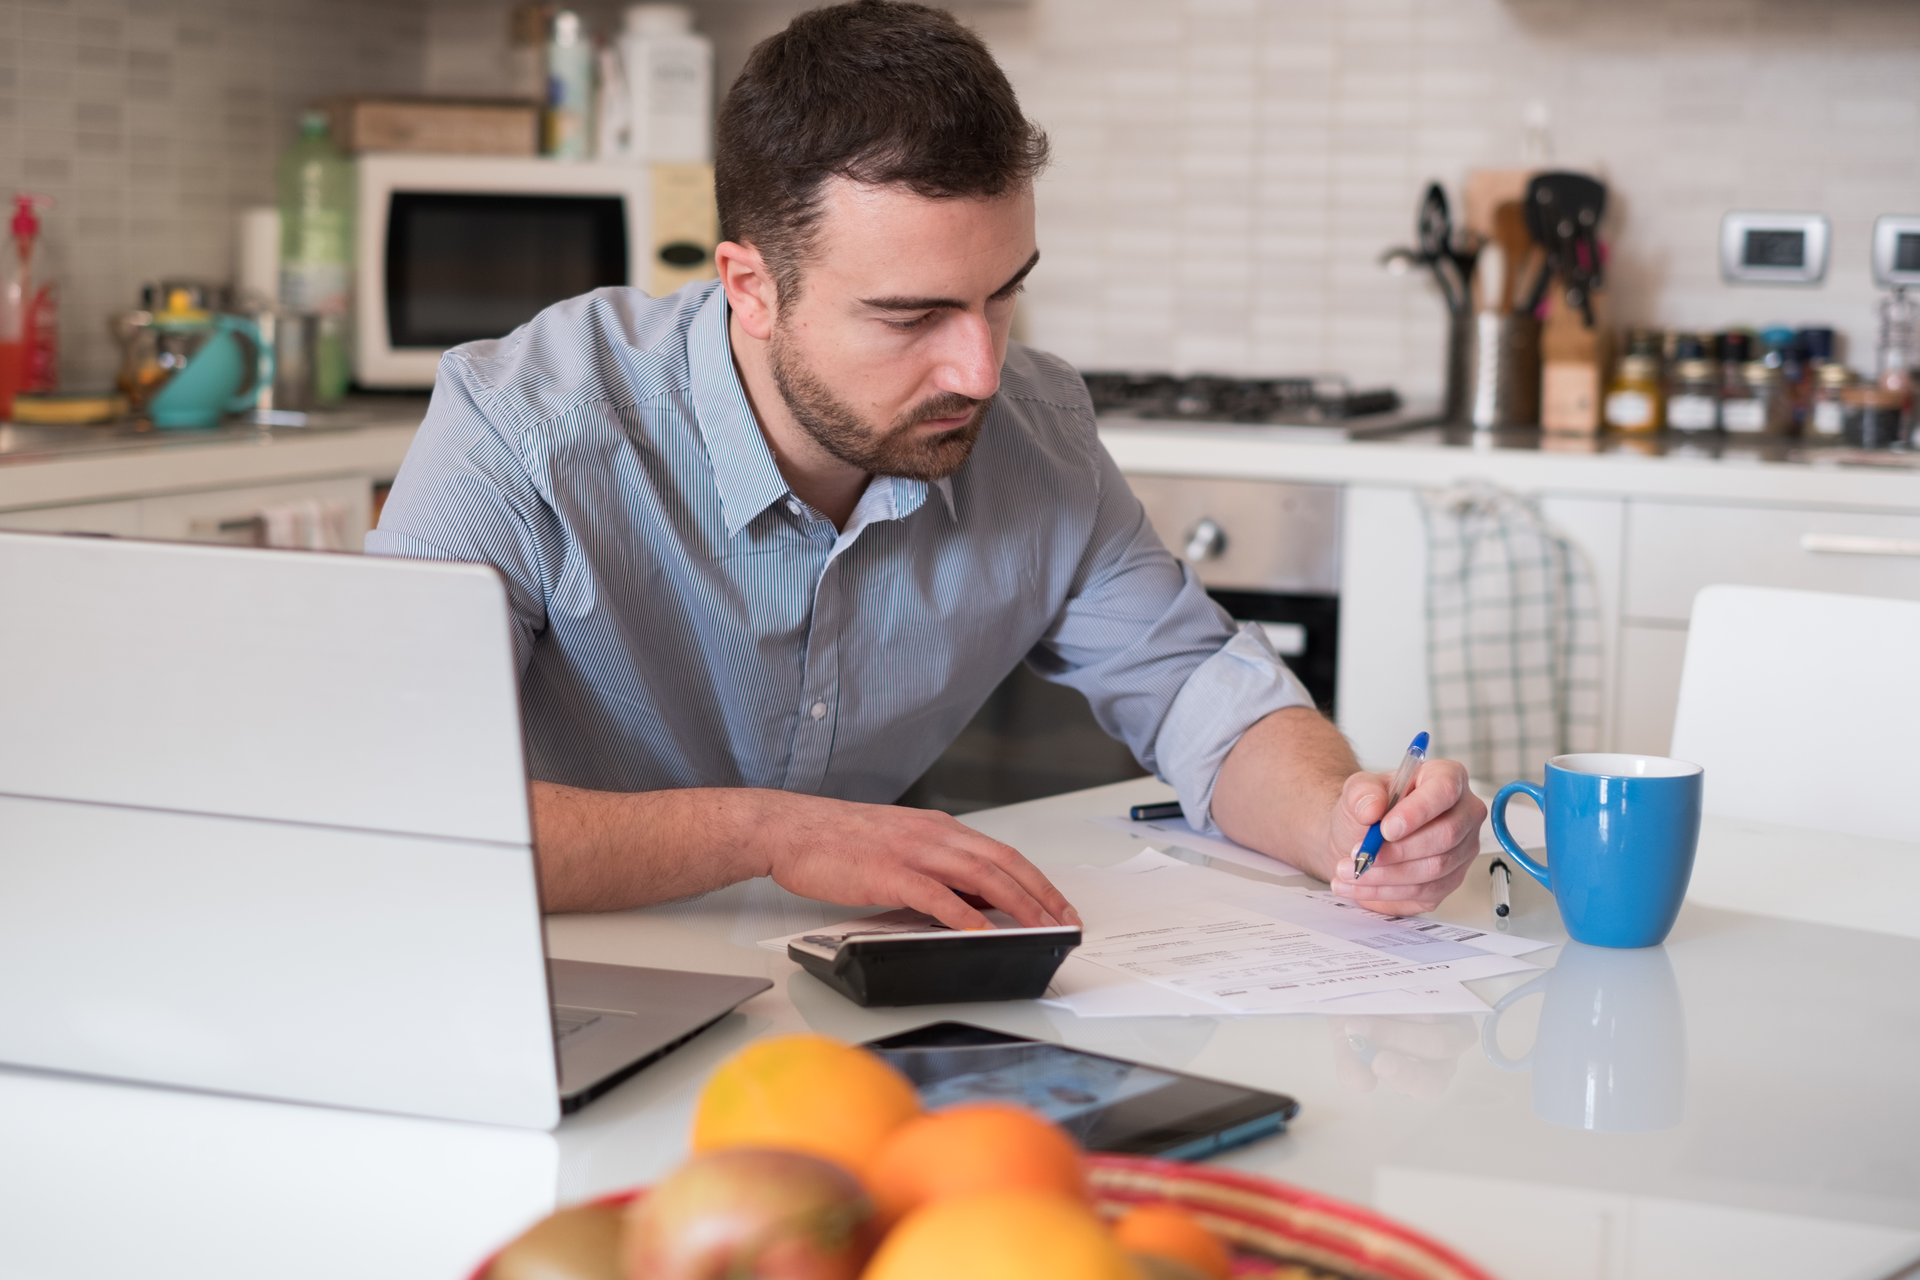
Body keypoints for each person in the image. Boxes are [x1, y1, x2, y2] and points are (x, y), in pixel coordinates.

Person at [367, 0, 1485, 929]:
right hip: (541, 973)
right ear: (750, 286)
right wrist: (773, 830)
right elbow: (392, 799)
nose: (982, 367)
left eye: (1003, 293)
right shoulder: (522, 429)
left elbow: (1201, 693)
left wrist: (1345, 816)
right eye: (912, 315)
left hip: (830, 987)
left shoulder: (1038, 435)